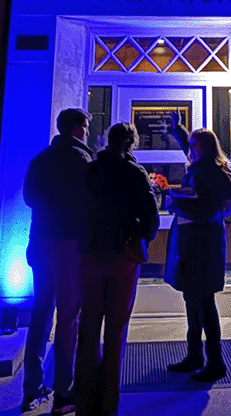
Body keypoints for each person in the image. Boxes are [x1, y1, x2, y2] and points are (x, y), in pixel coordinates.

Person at [75, 123, 159, 416]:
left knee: (88, 327)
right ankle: (109, 401)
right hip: (123, 254)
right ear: (131, 143)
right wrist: (142, 237)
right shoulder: (135, 173)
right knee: (115, 328)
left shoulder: (90, 170)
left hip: (89, 253)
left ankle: (85, 400)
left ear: (107, 140)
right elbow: (152, 217)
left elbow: (78, 208)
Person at [22, 108, 95, 414]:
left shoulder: (40, 159)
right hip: (69, 246)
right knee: (68, 316)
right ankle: (64, 394)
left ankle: (32, 388)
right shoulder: (83, 162)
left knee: (40, 313)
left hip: (41, 242)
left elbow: (28, 198)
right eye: (87, 128)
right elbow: (90, 204)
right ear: (79, 128)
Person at [163, 128, 231, 383]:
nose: (190, 148)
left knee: (204, 303)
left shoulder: (212, 171)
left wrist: (177, 203)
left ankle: (215, 362)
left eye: (195, 144)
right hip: (195, 244)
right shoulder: (204, 166)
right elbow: (208, 201)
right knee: (192, 301)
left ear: (205, 147)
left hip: (202, 247)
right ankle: (195, 356)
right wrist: (178, 130)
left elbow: (210, 208)